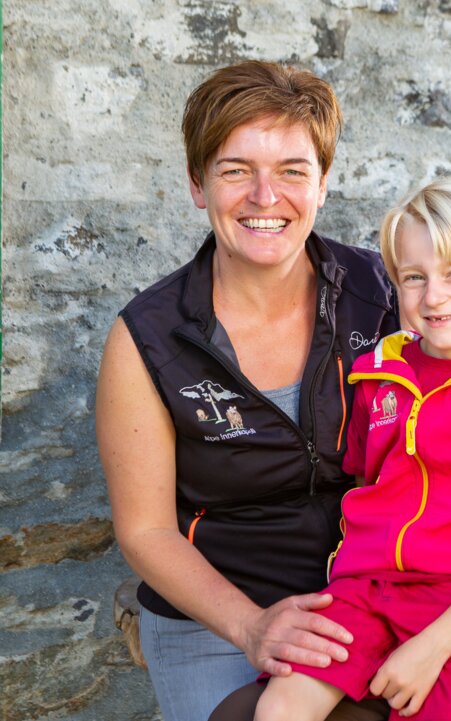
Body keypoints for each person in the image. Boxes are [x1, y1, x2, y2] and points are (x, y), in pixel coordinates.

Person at [96, 60, 398, 721]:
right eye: (236, 169)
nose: (266, 196)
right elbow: (146, 528)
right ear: (197, 184)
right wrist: (252, 626)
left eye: (292, 169)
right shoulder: (149, 338)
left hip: (372, 601)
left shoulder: (384, 299)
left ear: (322, 182)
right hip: (214, 618)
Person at [239, 177, 451, 721]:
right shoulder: (378, 375)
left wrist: (431, 646)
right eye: (414, 278)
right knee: (280, 706)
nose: (433, 297)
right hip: (363, 592)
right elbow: (368, 483)